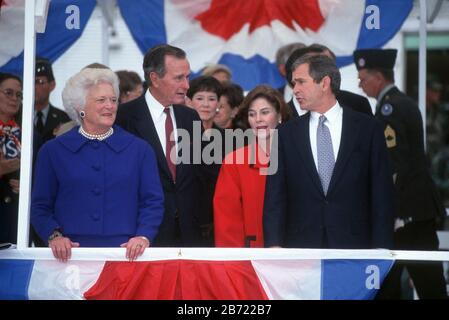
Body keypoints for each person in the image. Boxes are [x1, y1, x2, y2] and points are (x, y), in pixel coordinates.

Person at [31, 68, 164, 261]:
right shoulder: (52, 151)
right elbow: (40, 206)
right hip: (70, 257)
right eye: (101, 100)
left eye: (113, 100)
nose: (110, 106)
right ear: (79, 107)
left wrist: (143, 236)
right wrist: (54, 235)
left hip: (126, 254)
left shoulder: (140, 150)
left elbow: (153, 201)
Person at [263, 55, 394, 249]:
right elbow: (275, 197)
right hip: (301, 249)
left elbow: (381, 193)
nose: (295, 89)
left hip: (354, 248)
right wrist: (274, 246)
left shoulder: (368, 129)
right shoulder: (285, 134)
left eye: (301, 82)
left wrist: (381, 248)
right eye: (293, 83)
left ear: (325, 83)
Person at [354, 48, 448, 299]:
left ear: (378, 77)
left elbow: (394, 165)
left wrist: (392, 212)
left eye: (363, 78)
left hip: (407, 213)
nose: (360, 84)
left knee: (412, 284)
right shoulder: (398, 103)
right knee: (421, 283)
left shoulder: (390, 109)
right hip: (415, 210)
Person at [116, 44, 205, 247]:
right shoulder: (124, 118)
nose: (187, 85)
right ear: (155, 79)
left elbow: (198, 175)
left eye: (187, 77)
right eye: (178, 78)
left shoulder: (190, 117)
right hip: (142, 236)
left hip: (189, 235)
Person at [214, 85, 290, 247]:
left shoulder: (297, 156)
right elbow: (227, 220)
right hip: (249, 259)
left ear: (279, 116)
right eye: (252, 114)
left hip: (295, 256)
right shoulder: (234, 161)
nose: (258, 119)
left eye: (265, 112)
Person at [185, 75, 225, 246]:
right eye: (200, 98)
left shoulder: (229, 138)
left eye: (211, 99)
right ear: (190, 101)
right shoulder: (179, 136)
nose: (206, 104)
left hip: (217, 216)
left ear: (218, 104)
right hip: (186, 216)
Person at [284, 45, 372, 118]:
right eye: (318, 65)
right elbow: (274, 139)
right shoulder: (277, 116)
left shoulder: (356, 105)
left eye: (331, 64)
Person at [0, 73, 22, 244]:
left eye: (19, 95)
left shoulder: (29, 134)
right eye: (8, 92)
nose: (14, 99)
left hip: (17, 221)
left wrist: (28, 186)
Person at [34, 58, 70, 142]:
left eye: (39, 81)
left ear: (52, 85)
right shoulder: (18, 117)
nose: (34, 87)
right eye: (31, 82)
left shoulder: (64, 118)